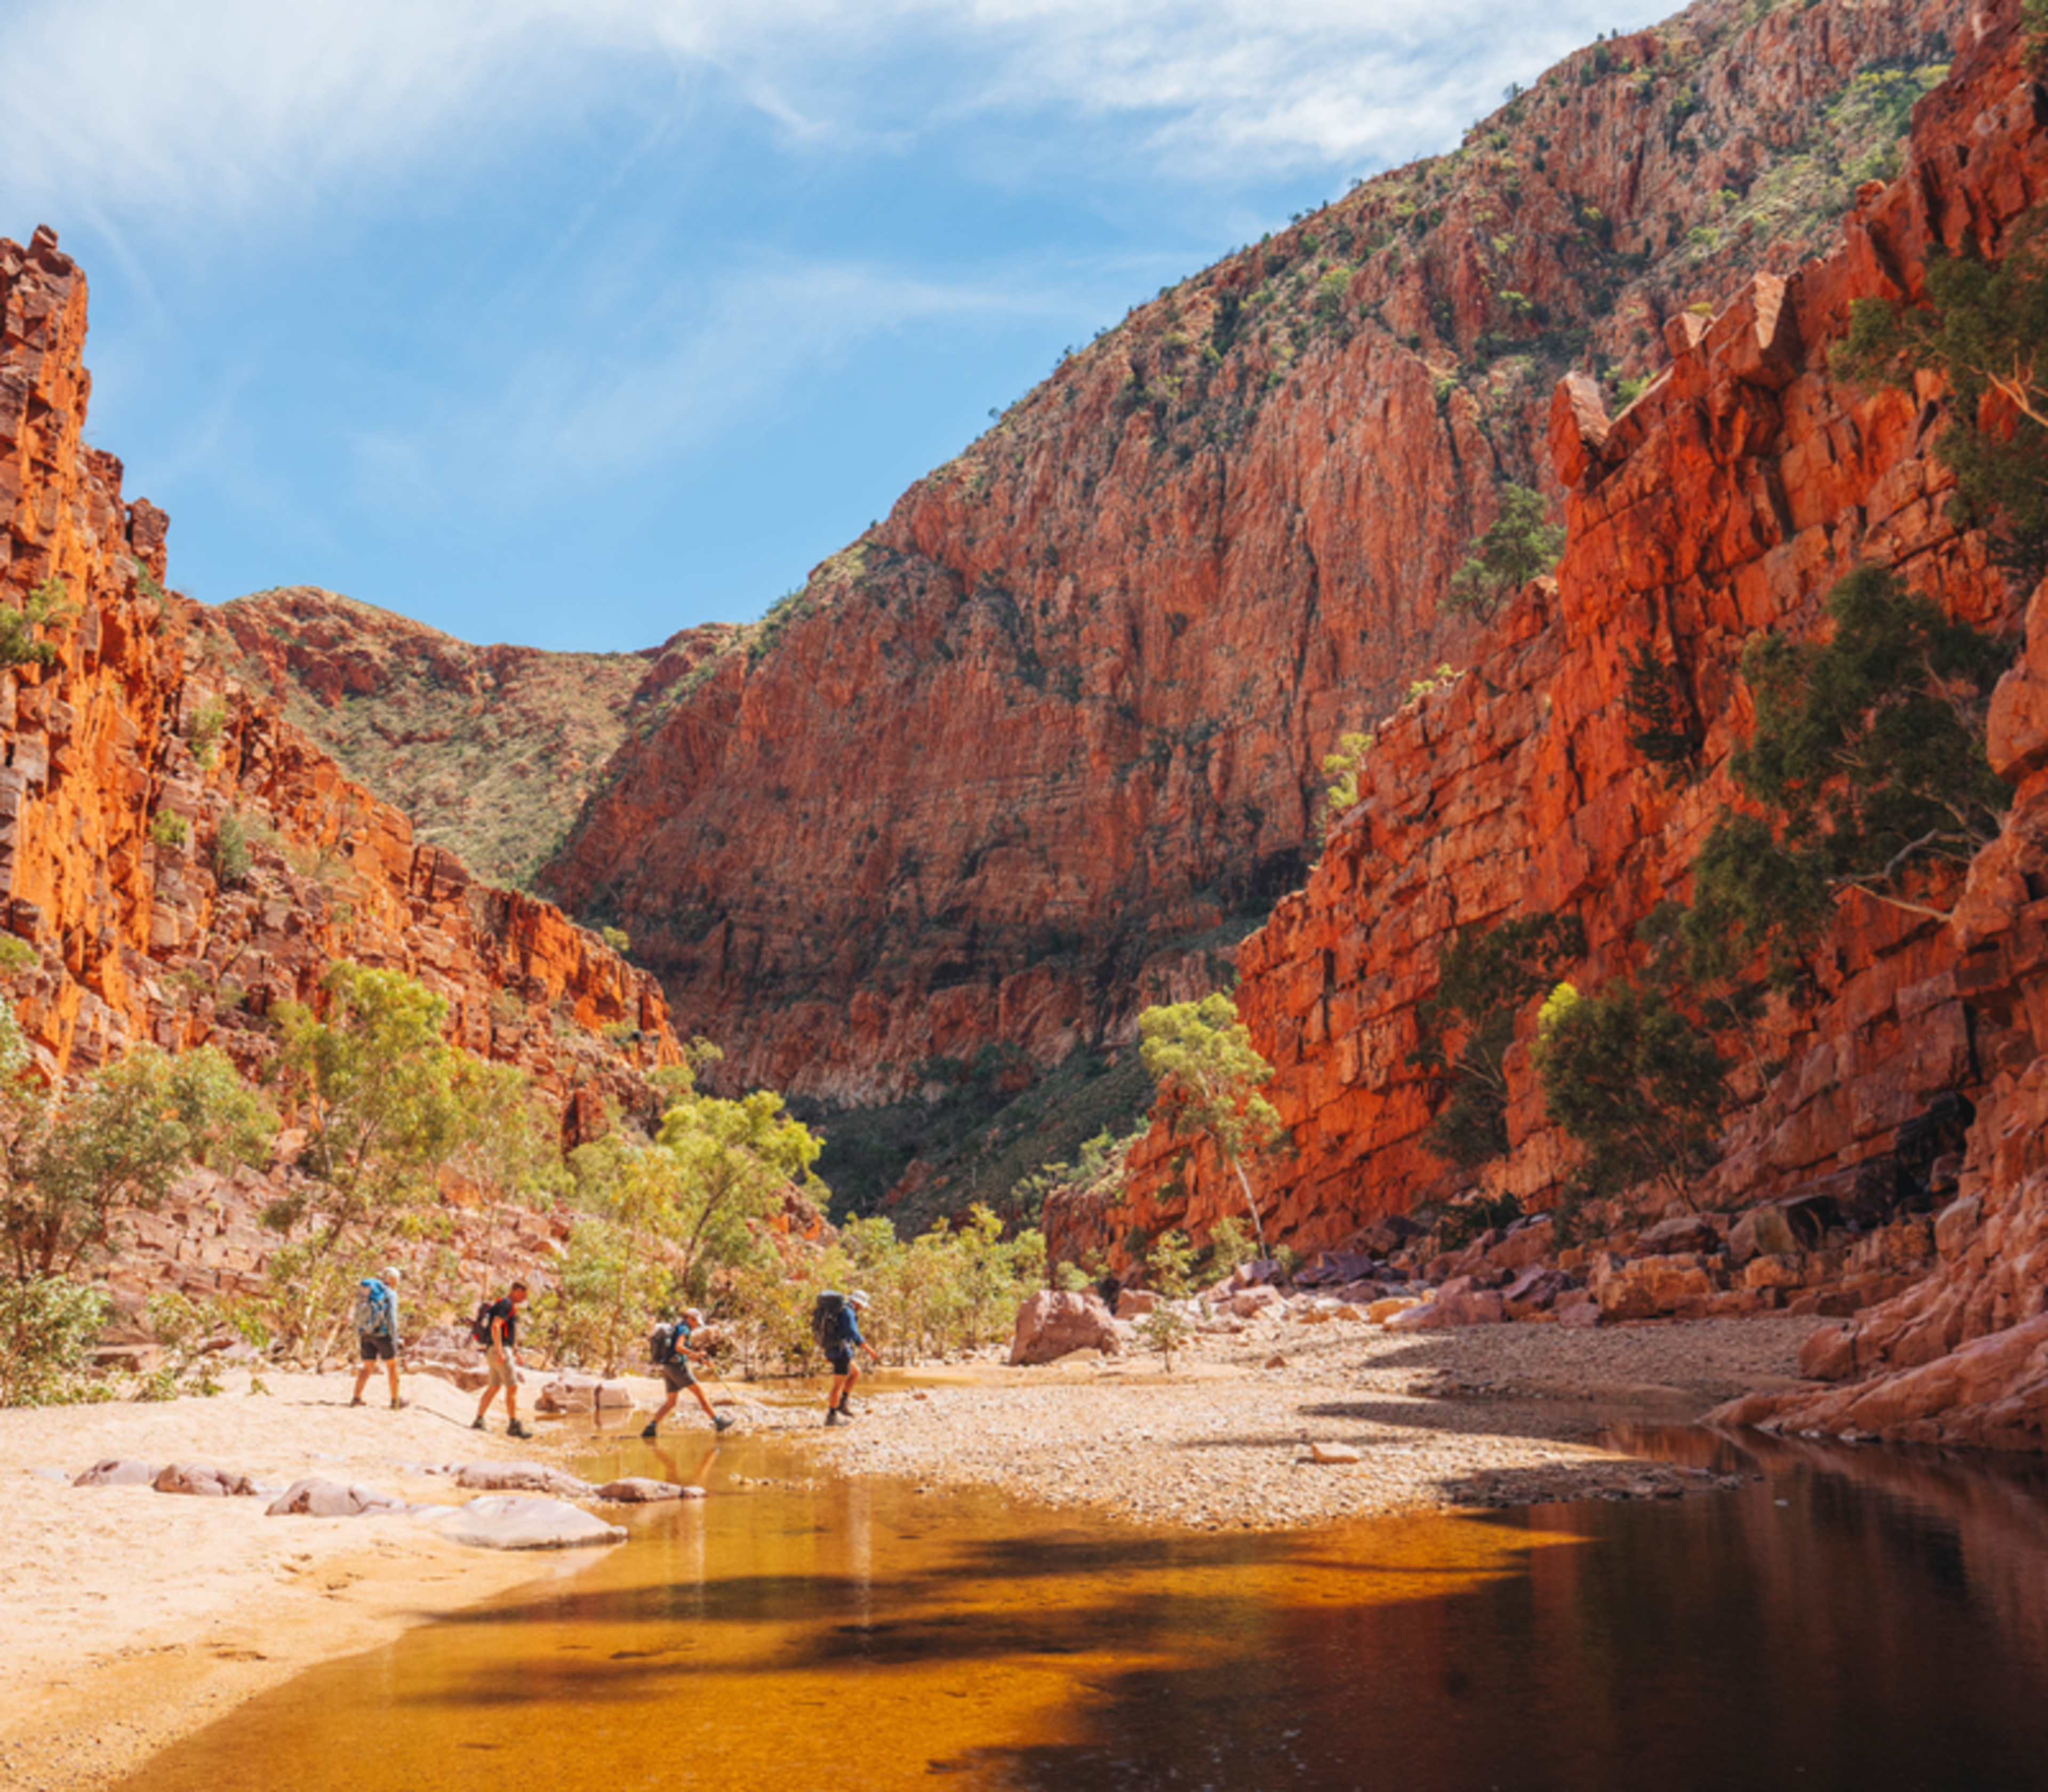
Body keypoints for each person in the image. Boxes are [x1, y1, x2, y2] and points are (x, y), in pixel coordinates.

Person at [642, 1308, 735, 1439]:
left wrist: (701, 1360)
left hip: (668, 1368)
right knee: (700, 1394)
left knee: (671, 1402)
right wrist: (696, 1354)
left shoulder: (678, 1327)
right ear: (691, 1319)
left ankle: (651, 1427)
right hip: (677, 1368)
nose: (697, 1325)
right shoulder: (684, 1329)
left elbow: (679, 1352)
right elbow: (679, 1348)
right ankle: (718, 1421)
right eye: (696, 1321)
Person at [471, 1280, 532, 1440]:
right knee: (512, 1388)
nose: (524, 1298)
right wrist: (501, 1352)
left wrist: (516, 1352)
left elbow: (506, 1333)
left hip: (493, 1350)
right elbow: (496, 1327)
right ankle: (513, 1425)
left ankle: (479, 1420)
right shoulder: (506, 1304)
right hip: (499, 1351)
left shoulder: (502, 1303)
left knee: (494, 1387)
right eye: (524, 1295)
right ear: (516, 1290)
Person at [348, 1266, 405, 1410]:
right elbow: (392, 1319)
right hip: (382, 1334)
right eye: (397, 1280)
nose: (397, 1283)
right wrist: (396, 1338)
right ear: (392, 1280)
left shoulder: (368, 1291)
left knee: (368, 1366)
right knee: (392, 1365)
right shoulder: (390, 1293)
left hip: (366, 1333)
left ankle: (356, 1397)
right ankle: (395, 1401)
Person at [823, 1287, 879, 1426]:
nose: (862, 1307)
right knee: (838, 1385)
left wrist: (828, 1351)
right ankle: (832, 1416)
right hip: (841, 1351)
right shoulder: (847, 1312)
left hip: (836, 1349)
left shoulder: (839, 1311)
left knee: (855, 1373)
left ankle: (843, 1403)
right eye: (862, 1304)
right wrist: (869, 1349)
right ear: (857, 1302)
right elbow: (854, 1334)